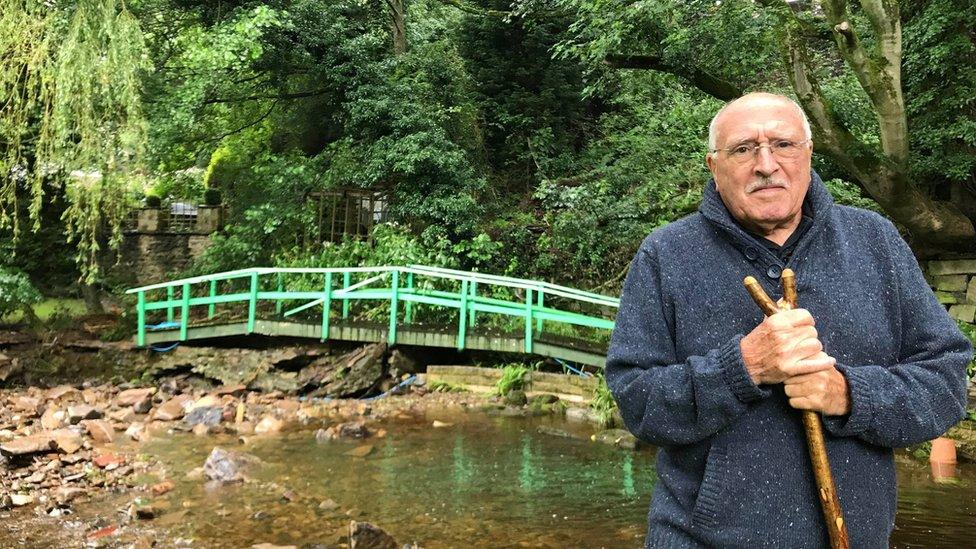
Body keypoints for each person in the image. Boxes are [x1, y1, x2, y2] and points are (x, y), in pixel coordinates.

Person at [605, 92, 971, 548]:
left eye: (783, 144)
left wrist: (849, 395)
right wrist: (743, 368)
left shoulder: (874, 242)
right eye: (742, 149)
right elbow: (638, 402)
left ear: (809, 154)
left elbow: (946, 381)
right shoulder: (667, 255)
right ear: (713, 165)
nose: (766, 164)